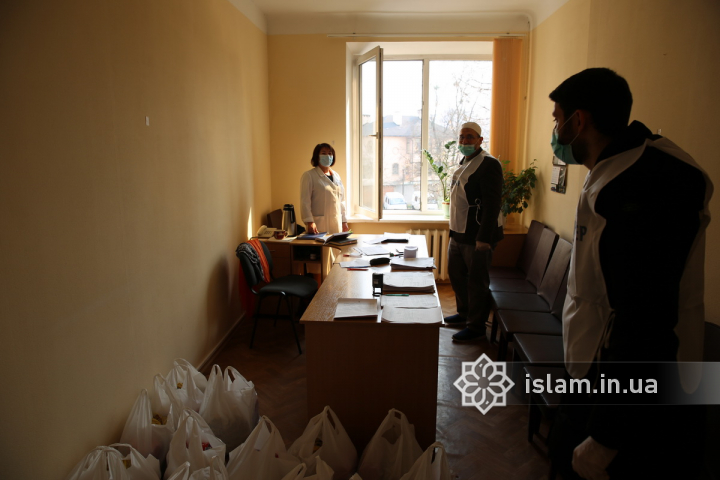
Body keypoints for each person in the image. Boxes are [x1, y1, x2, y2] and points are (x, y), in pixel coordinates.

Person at [547, 68, 712, 479]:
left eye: (557, 118)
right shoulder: (613, 167)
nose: (555, 130)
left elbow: (646, 319)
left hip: (629, 391)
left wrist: (606, 436)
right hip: (593, 367)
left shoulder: (648, 182)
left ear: (578, 120)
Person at [444, 122, 504, 342]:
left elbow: (492, 203)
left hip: (478, 234)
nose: (464, 141)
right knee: (456, 274)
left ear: (480, 140)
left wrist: (484, 238)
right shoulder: (465, 162)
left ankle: (476, 326)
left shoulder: (489, 164)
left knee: (477, 281)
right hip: (458, 231)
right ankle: (464, 313)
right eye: (461, 137)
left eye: (470, 137)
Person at [300, 143, 349, 235]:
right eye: (323, 153)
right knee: (322, 248)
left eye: (330, 153)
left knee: (336, 248)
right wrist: (309, 221)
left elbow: (342, 201)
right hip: (319, 225)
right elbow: (305, 202)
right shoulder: (309, 176)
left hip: (336, 224)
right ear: (317, 156)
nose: (327, 156)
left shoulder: (336, 176)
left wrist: (344, 221)